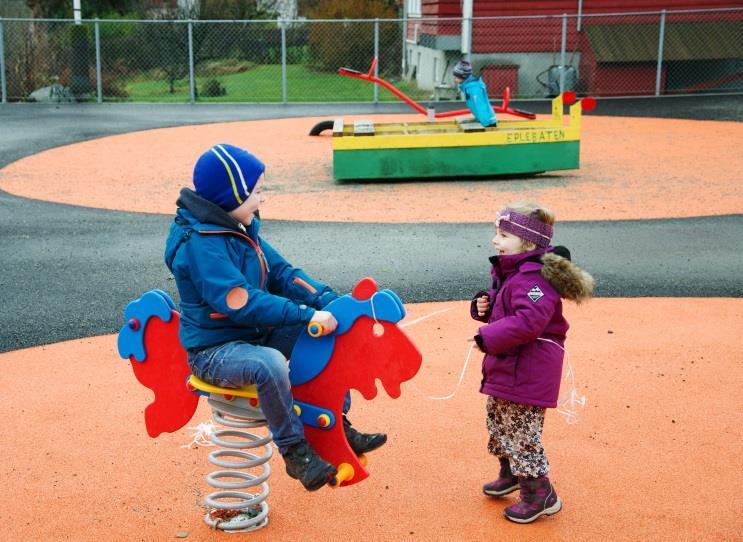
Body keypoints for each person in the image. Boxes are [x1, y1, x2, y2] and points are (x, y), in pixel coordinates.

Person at [164, 143, 387, 492]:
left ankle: (336, 425)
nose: (261, 199)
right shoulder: (201, 244)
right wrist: (305, 313)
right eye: (256, 191)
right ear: (232, 194)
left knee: (323, 340)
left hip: (253, 334)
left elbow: (282, 272)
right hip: (214, 350)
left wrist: (329, 300)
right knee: (269, 363)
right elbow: (244, 302)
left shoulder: (236, 225)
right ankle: (296, 453)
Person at [470, 202, 594, 523]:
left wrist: (488, 336)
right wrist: (484, 307)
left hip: (528, 370)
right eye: (496, 233)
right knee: (499, 422)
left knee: (523, 431)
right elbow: (506, 310)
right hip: (507, 366)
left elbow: (529, 322)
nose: (495, 240)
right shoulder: (511, 272)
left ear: (527, 242)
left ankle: (540, 493)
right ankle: (511, 471)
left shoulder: (536, 278)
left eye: (504, 234)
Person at [453, 59, 497, 127]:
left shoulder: (474, 88)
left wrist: (485, 125)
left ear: (463, 76)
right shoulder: (468, 86)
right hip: (483, 119)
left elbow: (480, 106)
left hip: (488, 122)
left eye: (457, 76)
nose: (455, 79)